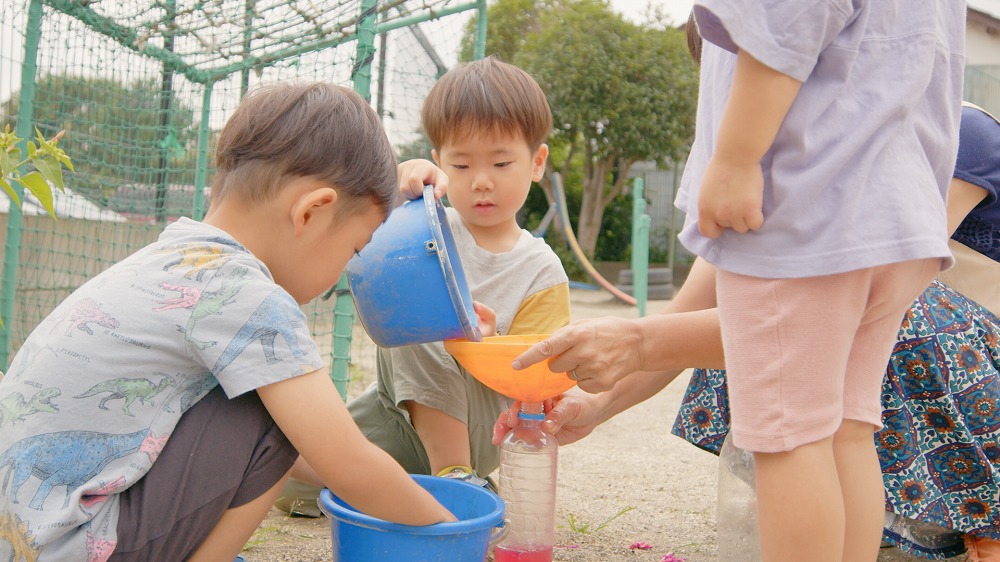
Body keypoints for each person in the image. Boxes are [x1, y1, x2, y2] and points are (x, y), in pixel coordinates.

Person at [506, 3, 966, 560]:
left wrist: (737, 154)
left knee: (789, 437)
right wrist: (598, 402)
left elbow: (783, 16)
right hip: (894, 213)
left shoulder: (764, 158)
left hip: (803, 204)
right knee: (845, 428)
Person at [0, 82, 457, 562]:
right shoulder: (246, 294)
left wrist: (397, 487)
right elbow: (344, 462)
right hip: (78, 544)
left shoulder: (173, 258)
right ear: (312, 211)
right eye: (354, 249)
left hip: (30, 538)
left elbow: (307, 459)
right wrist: (451, 527)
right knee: (275, 412)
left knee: (270, 403)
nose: (346, 268)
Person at [274, 56, 571, 516]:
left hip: (477, 424)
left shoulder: (540, 270)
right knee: (293, 479)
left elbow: (539, 382)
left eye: (501, 161)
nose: (482, 181)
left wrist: (490, 344)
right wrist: (400, 181)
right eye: (462, 164)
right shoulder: (423, 224)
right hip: (399, 415)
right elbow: (365, 224)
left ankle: (455, 473)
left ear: (536, 162)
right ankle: (419, 488)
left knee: (422, 316)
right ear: (439, 163)